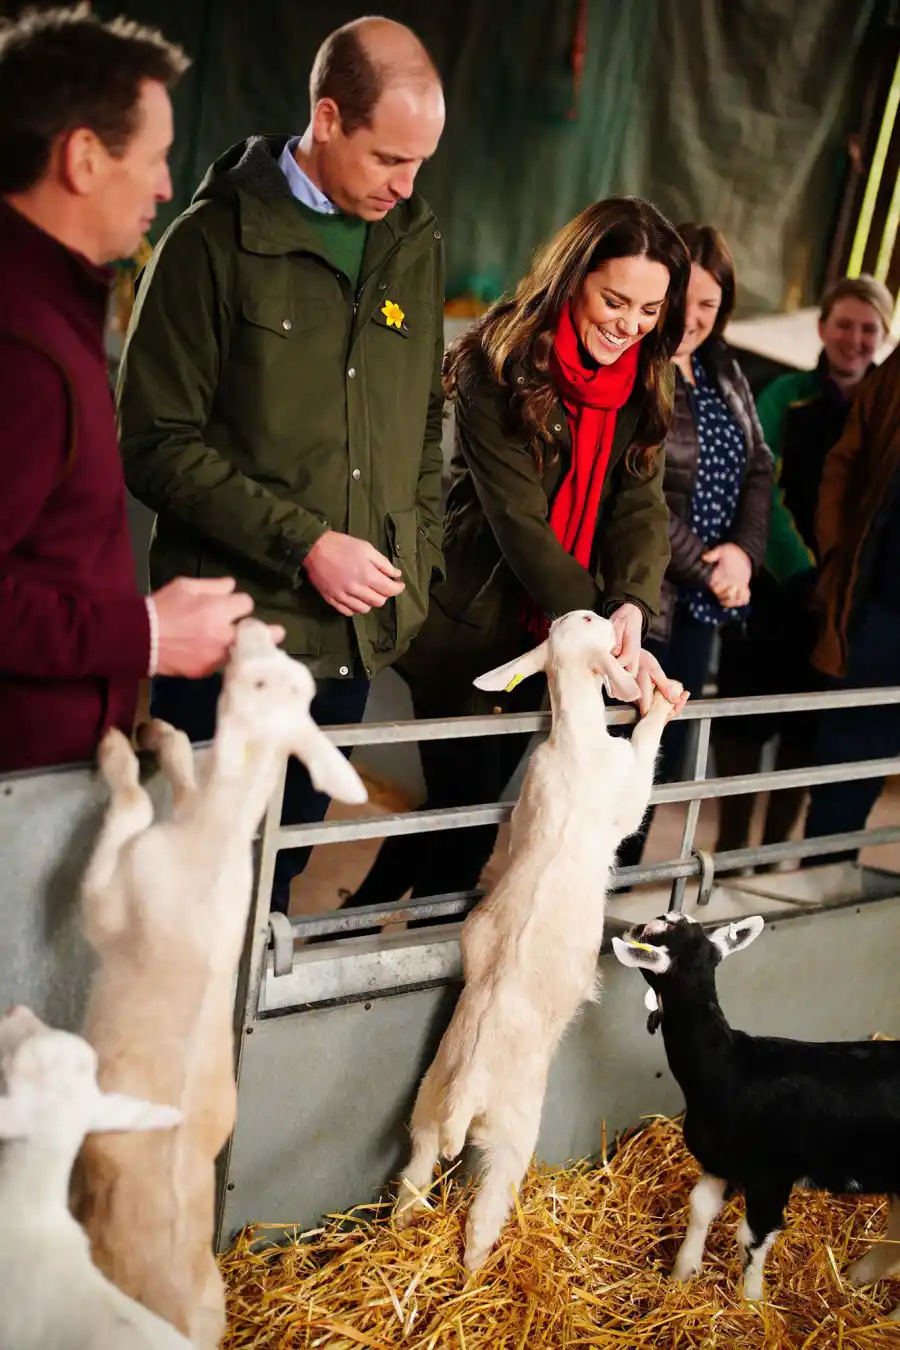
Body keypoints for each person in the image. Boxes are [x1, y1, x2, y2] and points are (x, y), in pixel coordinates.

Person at [117, 18, 447, 914]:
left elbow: (422, 426)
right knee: (190, 885)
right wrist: (304, 543)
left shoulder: (413, 246)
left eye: (422, 163)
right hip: (228, 642)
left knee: (281, 879)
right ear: (329, 118)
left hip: (343, 652)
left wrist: (408, 562)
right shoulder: (209, 244)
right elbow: (153, 443)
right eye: (389, 159)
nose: (407, 186)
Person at [338, 195, 691, 927]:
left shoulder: (645, 380)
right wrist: (598, 625)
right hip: (475, 630)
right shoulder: (494, 365)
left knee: (464, 810)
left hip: (558, 632)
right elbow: (519, 524)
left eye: (651, 310)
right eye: (614, 300)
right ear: (572, 279)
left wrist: (631, 603)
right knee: (467, 824)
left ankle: (348, 924)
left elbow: (639, 507)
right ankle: (399, 967)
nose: (629, 326)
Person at [0, 5, 258, 775]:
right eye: (154, 157)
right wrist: (144, 634)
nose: (166, 185)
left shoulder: (47, 304)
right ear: (82, 158)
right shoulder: (20, 345)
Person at [713, 275, 893, 856]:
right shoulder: (783, 393)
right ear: (821, 328)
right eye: (843, 324)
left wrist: (838, 581)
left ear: (883, 337)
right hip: (777, 589)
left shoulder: (882, 402)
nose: (854, 338)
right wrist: (803, 572)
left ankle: (774, 854)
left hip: (840, 602)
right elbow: (762, 484)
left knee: (807, 730)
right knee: (746, 723)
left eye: (868, 329)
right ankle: (735, 849)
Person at [615, 223, 773, 870]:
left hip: (699, 609)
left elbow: (760, 465)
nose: (694, 317)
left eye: (710, 305)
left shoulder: (724, 370)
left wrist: (743, 554)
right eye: (684, 299)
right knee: (616, 765)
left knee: (659, 764)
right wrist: (709, 568)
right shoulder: (636, 365)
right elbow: (632, 492)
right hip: (642, 599)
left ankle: (618, 908)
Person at [801, 342, 900, 863]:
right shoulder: (893, 375)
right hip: (881, 615)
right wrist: (839, 556)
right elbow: (844, 464)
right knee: (843, 779)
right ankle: (820, 912)